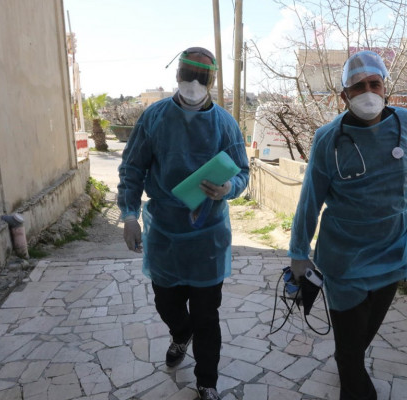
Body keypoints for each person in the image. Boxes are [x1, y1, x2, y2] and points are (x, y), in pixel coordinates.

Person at [287, 50, 407, 400]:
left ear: (385, 87)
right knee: (351, 353)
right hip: (346, 259)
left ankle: (347, 361)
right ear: (344, 95)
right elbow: (310, 198)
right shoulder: (329, 138)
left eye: (374, 83)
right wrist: (298, 252)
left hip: (393, 252)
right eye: (358, 87)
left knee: (361, 338)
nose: (368, 92)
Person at [117, 47, 249, 400]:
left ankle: (207, 382)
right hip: (165, 232)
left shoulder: (225, 124)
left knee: (207, 315)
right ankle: (180, 332)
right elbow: (132, 168)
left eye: (202, 77)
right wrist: (129, 215)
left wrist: (228, 188)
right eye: (188, 74)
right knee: (167, 304)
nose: (193, 83)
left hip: (208, 235)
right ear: (176, 75)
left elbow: (243, 172)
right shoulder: (154, 117)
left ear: (212, 80)